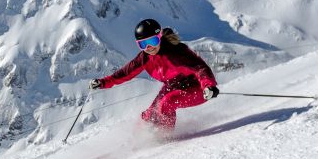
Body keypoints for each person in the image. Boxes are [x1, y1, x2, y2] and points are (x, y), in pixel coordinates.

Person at [90, 18, 220, 129]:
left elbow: (200, 68)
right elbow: (124, 73)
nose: (149, 48)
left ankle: (165, 138)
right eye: (143, 44)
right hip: (172, 86)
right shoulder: (144, 58)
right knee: (148, 115)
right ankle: (138, 141)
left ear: (160, 38)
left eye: (152, 42)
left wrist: (208, 86)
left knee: (166, 104)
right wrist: (102, 82)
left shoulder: (175, 53)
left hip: (198, 88)